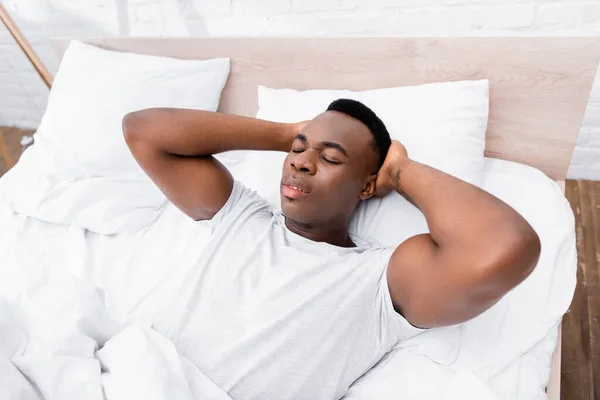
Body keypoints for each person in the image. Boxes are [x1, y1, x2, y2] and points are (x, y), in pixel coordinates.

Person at [122, 99, 541, 400]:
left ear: (367, 185)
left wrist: (399, 169)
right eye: (299, 152)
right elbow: (142, 130)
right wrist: (287, 133)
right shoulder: (240, 215)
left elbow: (505, 248)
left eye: (331, 158)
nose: (301, 162)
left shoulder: (379, 281)